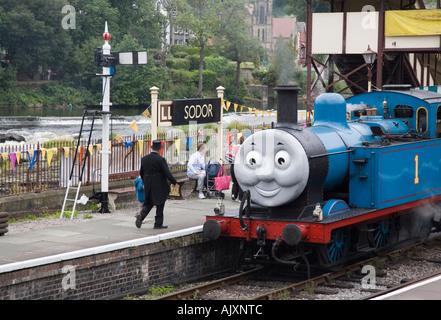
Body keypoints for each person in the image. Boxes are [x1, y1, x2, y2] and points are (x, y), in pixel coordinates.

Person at [136, 140, 177, 229]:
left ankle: (141, 216)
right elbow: (167, 173)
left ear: (152, 148)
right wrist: (174, 182)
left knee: (149, 202)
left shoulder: (144, 159)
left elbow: (141, 172)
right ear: (159, 150)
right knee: (160, 203)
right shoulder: (160, 159)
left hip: (148, 184)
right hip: (159, 184)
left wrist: (145, 182)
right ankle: (158, 224)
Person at [229, 136, 244, 201]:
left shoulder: (235, 147)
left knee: (235, 181)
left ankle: (234, 194)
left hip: (233, 165)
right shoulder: (244, 148)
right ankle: (240, 198)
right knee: (241, 182)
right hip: (241, 166)